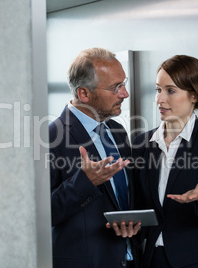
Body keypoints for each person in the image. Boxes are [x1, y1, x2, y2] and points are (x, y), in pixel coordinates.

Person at [132, 55, 198, 268]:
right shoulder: (141, 144)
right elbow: (137, 206)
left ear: (194, 96)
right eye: (158, 90)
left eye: (171, 90)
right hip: (152, 259)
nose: (160, 99)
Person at [49, 48, 141, 268]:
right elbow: (40, 216)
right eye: (115, 87)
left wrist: (132, 222)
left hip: (129, 259)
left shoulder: (117, 131)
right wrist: (85, 182)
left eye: (123, 83)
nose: (125, 93)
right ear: (84, 94)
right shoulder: (50, 137)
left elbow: (124, 197)